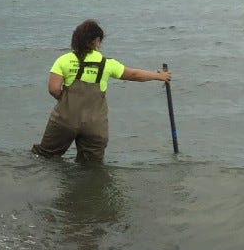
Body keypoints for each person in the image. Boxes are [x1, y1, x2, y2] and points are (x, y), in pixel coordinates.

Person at [32, 19, 171, 162]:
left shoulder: (64, 60)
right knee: (91, 168)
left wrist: (68, 102)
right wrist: (159, 76)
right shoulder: (107, 64)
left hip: (65, 120)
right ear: (97, 41)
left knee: (43, 157)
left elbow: (53, 89)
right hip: (95, 125)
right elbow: (133, 75)